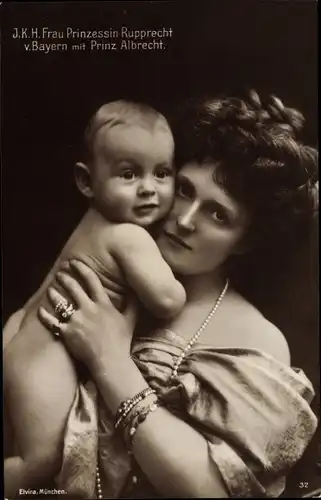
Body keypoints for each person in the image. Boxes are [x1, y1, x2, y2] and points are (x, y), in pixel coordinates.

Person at [5, 89, 319, 498]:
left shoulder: (255, 338)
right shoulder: (110, 268)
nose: (185, 220)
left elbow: (212, 493)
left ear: (245, 240)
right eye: (184, 190)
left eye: (218, 214)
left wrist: (110, 360)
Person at [3, 100, 186, 497]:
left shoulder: (90, 223)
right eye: (128, 173)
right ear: (87, 182)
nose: (149, 189)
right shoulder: (130, 236)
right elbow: (168, 300)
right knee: (40, 461)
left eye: (163, 173)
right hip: (44, 358)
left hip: (21, 336)